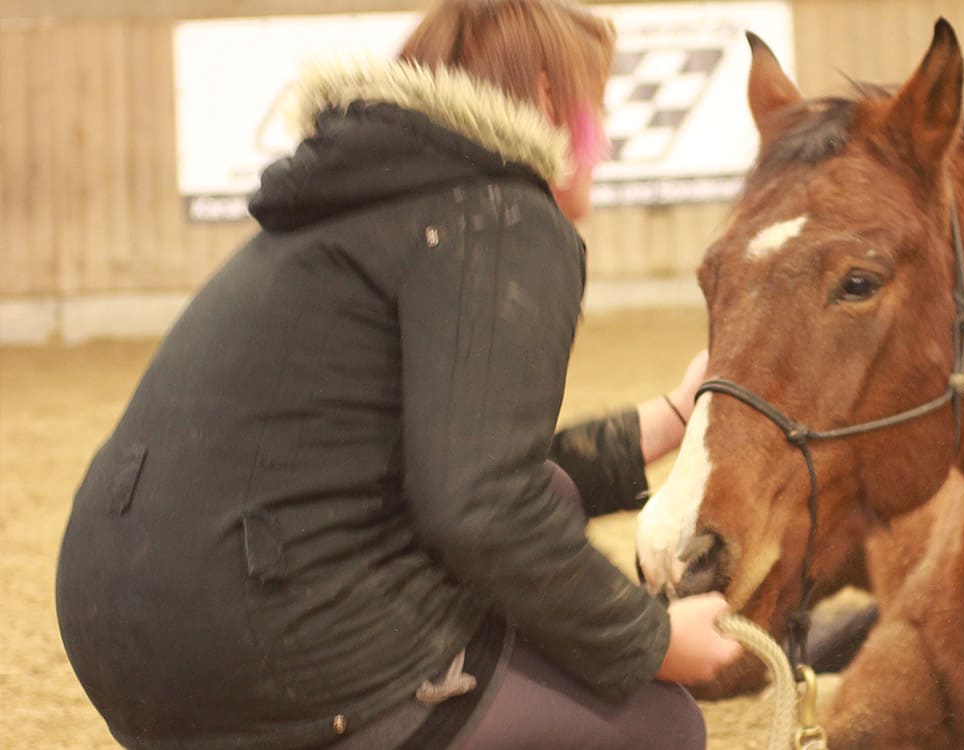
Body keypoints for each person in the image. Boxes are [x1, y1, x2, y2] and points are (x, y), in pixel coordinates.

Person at [54, 1, 743, 747]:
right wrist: (652, 641)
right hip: (263, 644)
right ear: (549, 99)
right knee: (658, 727)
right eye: (595, 109)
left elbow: (475, 471)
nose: (601, 140)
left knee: (549, 496)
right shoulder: (503, 216)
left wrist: (673, 416)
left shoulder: (355, 206)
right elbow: (483, 507)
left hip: (127, 632)